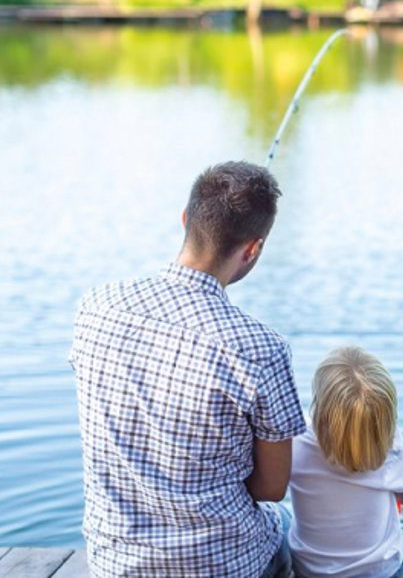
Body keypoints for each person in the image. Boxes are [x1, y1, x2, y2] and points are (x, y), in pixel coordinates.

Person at [69, 161, 306, 577]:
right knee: (285, 525)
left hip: (116, 563)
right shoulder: (260, 349)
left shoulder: (96, 307)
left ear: (185, 219)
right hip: (222, 565)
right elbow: (271, 488)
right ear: (253, 249)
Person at [289, 347, 403, 578]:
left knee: (281, 515)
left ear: (319, 402)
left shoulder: (295, 441)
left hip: (309, 572)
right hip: (381, 571)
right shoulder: (390, 442)